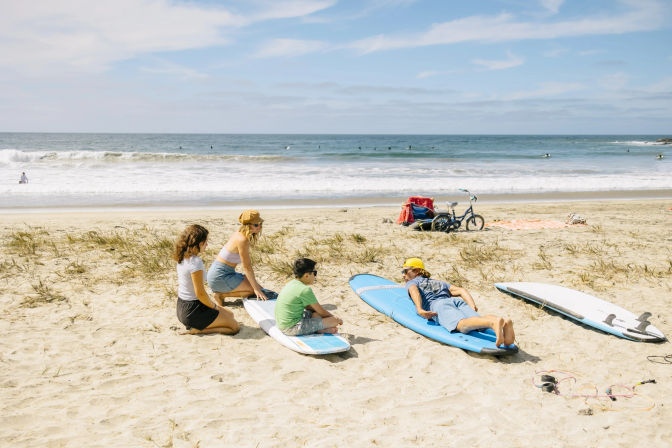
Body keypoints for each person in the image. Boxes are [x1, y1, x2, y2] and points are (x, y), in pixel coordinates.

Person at [402, 258, 514, 346]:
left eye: (405, 271)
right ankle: (503, 323)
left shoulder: (411, 283)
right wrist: (472, 306)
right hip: (455, 301)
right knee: (477, 322)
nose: (403, 275)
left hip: (439, 305)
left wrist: (420, 309)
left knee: (461, 325)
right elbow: (461, 290)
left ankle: (492, 323)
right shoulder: (439, 282)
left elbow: (414, 291)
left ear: (416, 271)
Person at [173, 224, 240, 335]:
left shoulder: (182, 256)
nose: (207, 245)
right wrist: (216, 307)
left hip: (182, 307)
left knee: (230, 315)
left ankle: (198, 325)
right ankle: (198, 330)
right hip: (192, 311)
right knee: (234, 327)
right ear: (198, 243)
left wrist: (217, 308)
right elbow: (200, 293)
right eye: (205, 242)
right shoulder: (195, 263)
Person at [207, 209, 275, 304]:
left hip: (224, 273)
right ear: (248, 225)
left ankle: (223, 292)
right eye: (256, 224)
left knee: (260, 288)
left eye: (260, 224)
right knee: (253, 290)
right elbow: (247, 268)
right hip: (219, 276)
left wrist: (257, 288)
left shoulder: (239, 234)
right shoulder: (242, 240)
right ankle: (221, 295)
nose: (259, 227)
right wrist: (255, 289)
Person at [274, 258, 342, 335]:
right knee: (334, 321)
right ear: (306, 275)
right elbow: (322, 312)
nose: (315, 276)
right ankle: (318, 329)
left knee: (316, 314)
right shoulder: (305, 290)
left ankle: (318, 329)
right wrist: (336, 318)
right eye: (314, 273)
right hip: (290, 328)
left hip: (283, 323)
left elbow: (309, 307)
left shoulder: (292, 283)